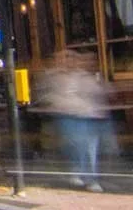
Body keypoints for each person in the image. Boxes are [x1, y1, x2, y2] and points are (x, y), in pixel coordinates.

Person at [41, 49, 108, 192]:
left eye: (71, 57)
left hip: (87, 115)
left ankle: (89, 178)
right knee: (77, 146)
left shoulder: (82, 75)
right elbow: (45, 95)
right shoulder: (53, 76)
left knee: (88, 148)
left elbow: (96, 92)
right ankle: (79, 172)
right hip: (67, 115)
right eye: (64, 58)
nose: (68, 61)